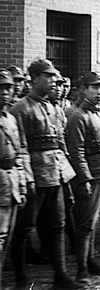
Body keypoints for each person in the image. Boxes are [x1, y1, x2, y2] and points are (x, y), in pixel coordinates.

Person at [10, 59, 81, 289]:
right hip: (34, 177)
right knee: (24, 227)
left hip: (56, 175)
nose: (53, 81)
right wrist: (26, 178)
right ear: (34, 79)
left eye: (54, 77)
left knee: (57, 224)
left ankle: (60, 276)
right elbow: (19, 148)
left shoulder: (53, 107)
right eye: (48, 77)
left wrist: (67, 176)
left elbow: (60, 145)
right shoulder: (21, 108)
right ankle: (21, 279)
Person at [66, 72, 100, 284]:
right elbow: (76, 152)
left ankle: (91, 260)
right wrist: (85, 179)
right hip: (91, 176)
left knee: (94, 221)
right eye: (93, 87)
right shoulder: (78, 116)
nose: (99, 92)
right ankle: (82, 268)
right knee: (86, 223)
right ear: (82, 90)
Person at [0, 69, 28, 289]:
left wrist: (23, 183)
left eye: (8, 88)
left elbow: (20, 151)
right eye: (0, 88)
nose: (4, 93)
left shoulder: (10, 118)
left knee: (7, 236)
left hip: (11, 182)